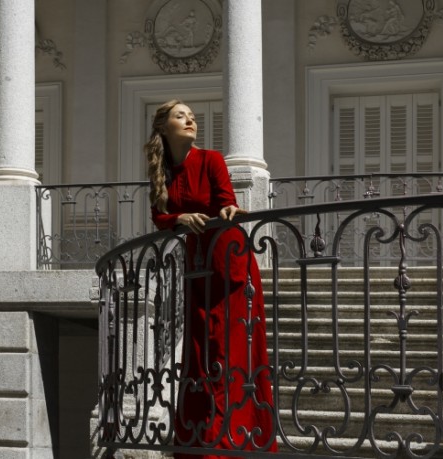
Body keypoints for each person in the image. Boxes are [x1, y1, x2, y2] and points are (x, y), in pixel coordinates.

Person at [145, 100, 277, 458]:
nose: (190, 120)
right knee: (201, 348)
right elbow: (160, 215)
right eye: (180, 116)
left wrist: (228, 211)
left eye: (191, 116)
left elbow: (226, 201)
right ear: (163, 127)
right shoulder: (163, 171)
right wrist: (179, 219)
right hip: (197, 263)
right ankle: (198, 436)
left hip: (228, 256)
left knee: (229, 346)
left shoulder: (212, 159)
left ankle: (232, 438)